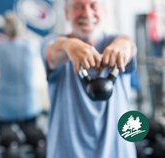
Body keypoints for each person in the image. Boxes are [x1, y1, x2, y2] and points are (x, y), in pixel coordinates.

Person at [41, 0, 137, 157]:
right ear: (67, 13)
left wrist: (122, 46)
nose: (87, 13)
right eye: (78, 7)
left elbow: (128, 44)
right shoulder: (53, 44)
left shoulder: (117, 40)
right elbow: (53, 52)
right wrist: (69, 46)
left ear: (104, 11)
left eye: (94, 6)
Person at [0, 13, 43, 140]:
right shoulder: (31, 47)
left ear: (5, 29)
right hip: (29, 106)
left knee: (6, 144)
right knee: (33, 143)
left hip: (6, 107)